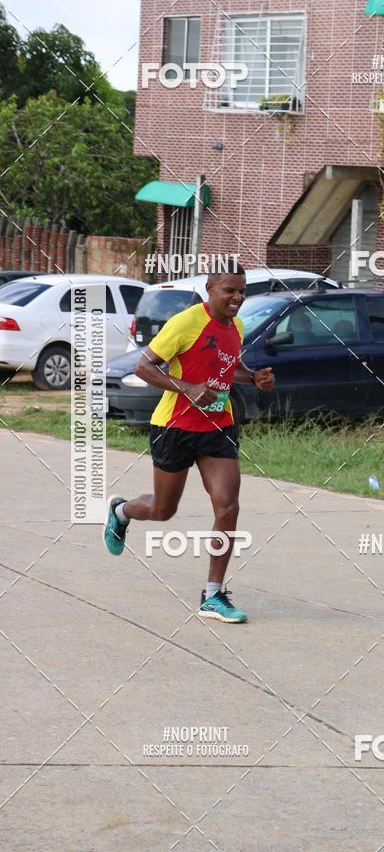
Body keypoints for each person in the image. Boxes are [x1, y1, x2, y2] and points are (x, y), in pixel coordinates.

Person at [103, 260, 275, 623]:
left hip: (218, 427)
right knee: (163, 510)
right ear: (209, 289)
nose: (237, 298)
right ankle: (121, 511)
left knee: (228, 507)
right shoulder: (185, 322)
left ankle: (213, 595)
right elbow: (144, 367)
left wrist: (253, 377)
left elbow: (230, 368)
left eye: (242, 291)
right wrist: (188, 388)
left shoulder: (237, 326)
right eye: (229, 290)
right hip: (174, 427)